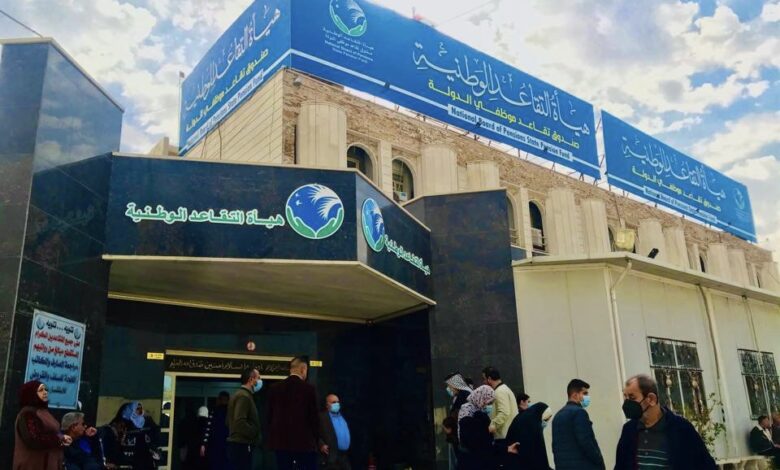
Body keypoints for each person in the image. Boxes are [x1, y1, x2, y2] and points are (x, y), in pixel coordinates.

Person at [615, 374, 716, 469]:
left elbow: (706, 465)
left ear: (651, 399)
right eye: (625, 397)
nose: (627, 403)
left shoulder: (681, 428)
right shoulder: (629, 430)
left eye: (632, 398)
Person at [268, 356, 320, 470]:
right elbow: (314, 418)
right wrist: (316, 441)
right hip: (303, 444)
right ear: (303, 369)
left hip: (280, 444)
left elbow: (269, 417)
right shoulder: (309, 389)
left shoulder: (275, 388)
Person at [13, 380, 72, 470]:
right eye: (41, 390)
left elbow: (53, 433)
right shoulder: (27, 414)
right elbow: (33, 439)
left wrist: (63, 438)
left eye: (46, 390)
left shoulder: (43, 412)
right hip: (33, 465)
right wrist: (59, 439)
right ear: (31, 393)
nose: (45, 392)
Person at [552, 379, 605, 470]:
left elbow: (555, 447)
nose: (587, 397)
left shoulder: (557, 416)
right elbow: (586, 442)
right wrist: (598, 460)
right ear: (575, 395)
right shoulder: (579, 412)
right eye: (585, 393)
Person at [227, 368, 263, 468]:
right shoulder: (244, 396)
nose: (260, 381)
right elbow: (239, 422)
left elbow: (228, 421)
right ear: (251, 380)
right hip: (241, 446)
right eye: (259, 378)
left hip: (237, 446)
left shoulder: (239, 394)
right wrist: (255, 433)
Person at [457, 385, 498, 470]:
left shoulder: (479, 409)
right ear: (480, 397)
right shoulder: (467, 408)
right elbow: (470, 433)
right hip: (470, 454)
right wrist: (487, 430)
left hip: (478, 452)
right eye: (486, 401)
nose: (486, 404)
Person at [504, 402, 553, 470]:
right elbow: (536, 456)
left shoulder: (523, 418)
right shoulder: (532, 426)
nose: (545, 423)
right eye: (545, 420)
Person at [119, 401, 160, 470]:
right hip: (130, 460)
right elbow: (120, 443)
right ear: (131, 410)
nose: (140, 411)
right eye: (137, 409)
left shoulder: (148, 421)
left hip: (146, 459)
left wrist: (155, 453)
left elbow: (155, 437)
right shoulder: (125, 423)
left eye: (141, 408)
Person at [481, 366, 518, 443]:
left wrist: (492, 425)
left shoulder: (500, 391)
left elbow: (504, 412)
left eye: (484, 379)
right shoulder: (503, 389)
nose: (483, 382)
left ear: (489, 379)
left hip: (504, 436)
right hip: (508, 434)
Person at [444, 372, 472, 470]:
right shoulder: (460, 395)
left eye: (450, 386)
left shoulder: (464, 395)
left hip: (464, 436)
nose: (449, 388)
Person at [318, 394, 351, 470]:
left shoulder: (343, 416)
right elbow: (313, 433)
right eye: (334, 402)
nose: (337, 404)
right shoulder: (322, 417)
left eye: (338, 402)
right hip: (331, 458)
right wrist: (321, 445)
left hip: (345, 458)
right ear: (327, 405)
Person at [201, 391, 231, 470]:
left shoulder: (214, 411)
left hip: (216, 445)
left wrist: (204, 444)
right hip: (226, 445)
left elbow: (208, 429)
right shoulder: (231, 413)